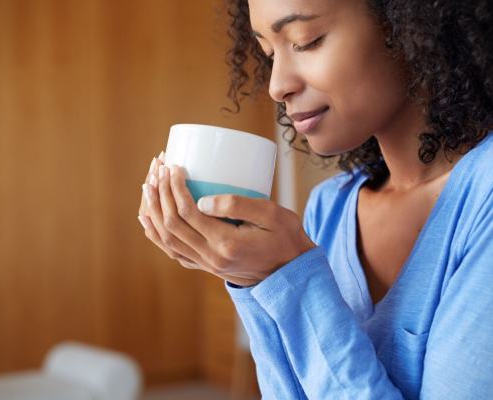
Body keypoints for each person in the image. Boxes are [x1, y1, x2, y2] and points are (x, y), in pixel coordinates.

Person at [137, 0, 493, 398]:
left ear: (411, 24)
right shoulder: (330, 206)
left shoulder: (485, 199)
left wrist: (291, 278)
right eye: (269, 54)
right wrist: (252, 276)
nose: (276, 86)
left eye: (306, 41)